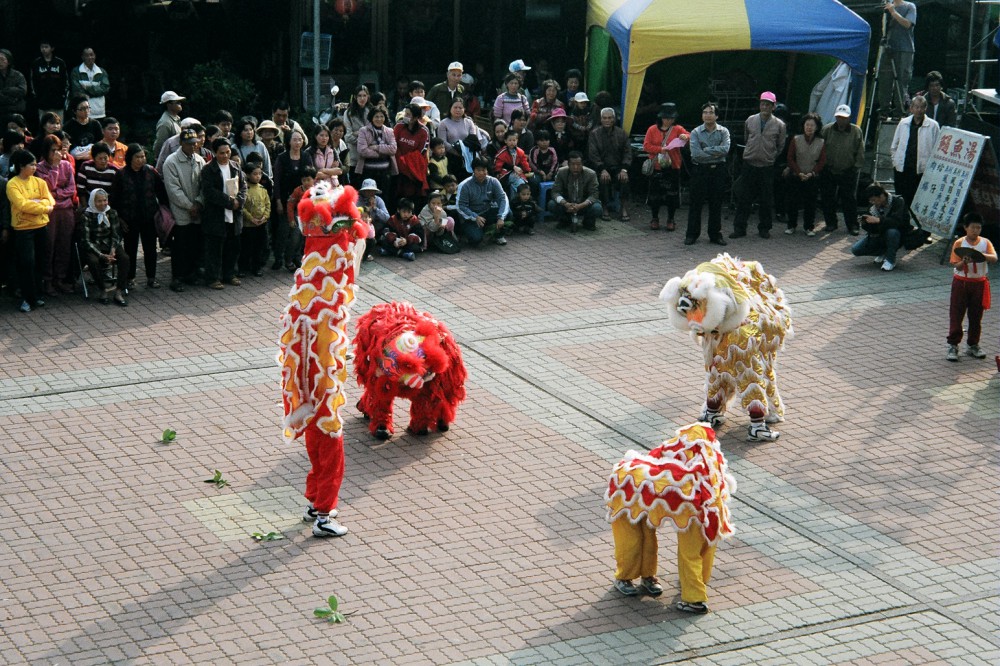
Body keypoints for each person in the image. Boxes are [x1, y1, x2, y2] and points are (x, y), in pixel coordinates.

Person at [605, 423, 736, 613]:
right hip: (633, 496)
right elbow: (660, 457)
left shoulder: (695, 461)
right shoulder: (706, 460)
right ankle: (631, 576)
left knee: (690, 552)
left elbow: (661, 455)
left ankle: (693, 595)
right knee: (636, 541)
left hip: (700, 510)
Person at [730, 92, 786, 239]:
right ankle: (739, 228)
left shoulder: (780, 125)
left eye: (768, 104)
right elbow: (747, 138)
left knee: (765, 199)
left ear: (773, 106)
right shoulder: (750, 120)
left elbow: (780, 145)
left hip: (767, 166)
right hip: (749, 164)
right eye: (763, 103)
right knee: (744, 197)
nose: (765, 106)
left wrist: (770, 156)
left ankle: (764, 228)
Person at [6, 149, 54, 312]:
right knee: (27, 263)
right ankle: (27, 298)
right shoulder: (12, 184)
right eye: (31, 165)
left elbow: (50, 201)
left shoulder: (40, 182)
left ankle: (38, 295)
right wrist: (42, 207)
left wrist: (38, 204)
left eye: (35, 165)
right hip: (23, 229)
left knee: (40, 261)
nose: (34, 168)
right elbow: (22, 205)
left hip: (41, 226)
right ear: (21, 166)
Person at [112, 144, 164, 289]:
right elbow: (115, 199)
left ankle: (151, 278)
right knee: (130, 249)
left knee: (150, 249)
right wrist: (120, 219)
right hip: (129, 219)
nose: (141, 160)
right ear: (130, 158)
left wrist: (163, 212)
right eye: (137, 157)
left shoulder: (151, 172)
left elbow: (161, 192)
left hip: (149, 218)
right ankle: (130, 278)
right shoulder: (121, 175)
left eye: (143, 156)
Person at [946, 213, 996, 361]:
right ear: (965, 227)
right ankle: (953, 345)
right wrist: (964, 262)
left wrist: (981, 255)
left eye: (978, 228)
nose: (976, 231)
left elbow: (994, 258)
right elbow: (957, 266)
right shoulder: (959, 243)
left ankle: (973, 345)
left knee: (976, 315)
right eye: (973, 227)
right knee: (957, 314)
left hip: (979, 283)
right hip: (961, 283)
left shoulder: (985, 243)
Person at [200, 137, 247, 289]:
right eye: (222, 153)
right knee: (215, 248)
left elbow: (243, 186)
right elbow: (209, 191)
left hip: (234, 214)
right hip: (216, 215)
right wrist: (229, 201)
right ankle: (213, 278)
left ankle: (229, 274)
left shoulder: (235, 166)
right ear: (215, 153)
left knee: (233, 246)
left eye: (228, 152)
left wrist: (239, 201)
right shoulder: (208, 169)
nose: (225, 155)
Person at [162, 127, 204, 292]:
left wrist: (199, 203)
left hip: (197, 210)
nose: (193, 146)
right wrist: (189, 206)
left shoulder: (200, 160)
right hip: (180, 212)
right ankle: (177, 277)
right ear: (181, 143)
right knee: (180, 245)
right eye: (189, 144)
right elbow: (173, 190)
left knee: (195, 243)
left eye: (194, 143)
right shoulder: (171, 162)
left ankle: (191, 274)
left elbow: (204, 186)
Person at [34, 134, 76, 295]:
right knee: (49, 246)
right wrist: (54, 168)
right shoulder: (39, 168)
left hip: (66, 211)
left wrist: (57, 194)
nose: (57, 153)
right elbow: (47, 189)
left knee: (64, 245)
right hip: (49, 212)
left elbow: (71, 189)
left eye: (58, 150)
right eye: (53, 150)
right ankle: (47, 280)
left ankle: (60, 279)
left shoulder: (67, 165)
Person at [685, 103, 730, 246]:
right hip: (700, 170)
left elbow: (725, 150)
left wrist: (706, 149)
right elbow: (696, 154)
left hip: (718, 170)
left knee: (716, 203)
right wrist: (715, 152)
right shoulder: (695, 132)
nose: (707, 115)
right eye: (705, 112)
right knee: (695, 204)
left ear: (717, 116)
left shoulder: (723, 131)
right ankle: (692, 234)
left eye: (711, 112)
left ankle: (715, 235)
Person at [820, 104, 865, 235]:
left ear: (849, 118)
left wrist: (855, 167)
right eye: (839, 117)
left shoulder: (856, 131)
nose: (841, 120)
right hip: (829, 169)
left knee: (849, 200)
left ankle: (852, 225)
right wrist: (822, 166)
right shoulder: (827, 129)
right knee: (827, 198)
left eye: (844, 118)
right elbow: (820, 148)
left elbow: (860, 151)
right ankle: (831, 223)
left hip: (848, 170)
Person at [79, 188, 129, 306]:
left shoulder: (112, 212)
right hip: (94, 246)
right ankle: (102, 290)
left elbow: (116, 234)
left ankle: (119, 291)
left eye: (105, 200)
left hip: (109, 244)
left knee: (124, 258)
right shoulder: (86, 215)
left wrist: (112, 250)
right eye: (99, 201)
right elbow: (86, 241)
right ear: (93, 202)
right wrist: (101, 255)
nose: (103, 203)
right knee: (93, 261)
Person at [642, 102, 688, 231]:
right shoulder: (652, 129)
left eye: (671, 118)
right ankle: (654, 218)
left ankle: (671, 219)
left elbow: (688, 136)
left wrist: (685, 136)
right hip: (657, 166)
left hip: (673, 166)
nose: (669, 120)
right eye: (666, 118)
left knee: (672, 195)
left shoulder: (678, 129)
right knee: (655, 195)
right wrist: (660, 149)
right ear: (661, 118)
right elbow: (646, 146)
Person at [890, 95, 939, 210]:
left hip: (921, 170)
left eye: (922, 107)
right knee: (901, 199)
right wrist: (895, 161)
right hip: (902, 168)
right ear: (911, 108)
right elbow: (894, 145)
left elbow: (937, 149)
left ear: (926, 108)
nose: (919, 110)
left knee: (919, 200)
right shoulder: (903, 123)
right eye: (916, 107)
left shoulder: (933, 125)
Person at [851, 182, 911, 272]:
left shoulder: (898, 201)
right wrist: (865, 223)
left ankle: (890, 260)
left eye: (874, 200)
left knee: (892, 232)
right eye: (870, 201)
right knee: (856, 250)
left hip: (899, 234)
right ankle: (884, 252)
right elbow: (873, 230)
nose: (872, 203)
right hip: (880, 234)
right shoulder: (873, 207)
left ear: (882, 196)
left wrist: (878, 220)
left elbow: (897, 222)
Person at [784, 113, 826, 236]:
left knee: (810, 203)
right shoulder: (796, 139)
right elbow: (790, 158)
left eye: (812, 125)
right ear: (803, 126)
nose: (809, 127)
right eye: (807, 125)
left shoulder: (821, 142)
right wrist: (799, 172)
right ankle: (791, 225)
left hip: (812, 176)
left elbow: (822, 161)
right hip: (796, 175)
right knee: (793, 202)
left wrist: (812, 173)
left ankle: (809, 227)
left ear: (817, 127)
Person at [588, 108, 632, 222]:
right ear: (601, 119)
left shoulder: (621, 133)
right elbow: (593, 155)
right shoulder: (594, 134)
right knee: (603, 179)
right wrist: (602, 169)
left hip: (618, 167)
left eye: (609, 118)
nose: (607, 120)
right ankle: (605, 207)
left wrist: (624, 169)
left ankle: (623, 208)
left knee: (624, 179)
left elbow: (627, 152)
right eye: (604, 118)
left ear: (614, 119)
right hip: (601, 168)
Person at [273, 129, 309, 271]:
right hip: (284, 199)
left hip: (302, 201)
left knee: (297, 233)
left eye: (300, 139)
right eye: (294, 139)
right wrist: (278, 200)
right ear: (289, 141)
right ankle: (278, 258)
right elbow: (277, 180)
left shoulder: (306, 156)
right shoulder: (282, 158)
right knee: (283, 231)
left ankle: (294, 258)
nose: (297, 142)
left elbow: (311, 176)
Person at [456, 157, 510, 247]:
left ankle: (498, 235)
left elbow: (502, 199)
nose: (481, 173)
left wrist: (501, 217)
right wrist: (475, 217)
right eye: (478, 170)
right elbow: (460, 206)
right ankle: (472, 232)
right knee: (476, 239)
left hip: (487, 211)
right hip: (471, 217)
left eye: (484, 170)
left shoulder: (493, 181)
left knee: (508, 213)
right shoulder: (464, 185)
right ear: (473, 170)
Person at [878, 0, 917, 117]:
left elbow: (907, 24)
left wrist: (893, 12)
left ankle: (899, 110)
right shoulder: (887, 6)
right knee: (885, 80)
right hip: (888, 48)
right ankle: (884, 109)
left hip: (905, 49)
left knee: (902, 80)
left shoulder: (910, 6)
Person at [548, 151, 601, 232]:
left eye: (578, 164)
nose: (575, 167)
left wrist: (581, 205)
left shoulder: (591, 174)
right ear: (568, 164)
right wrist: (565, 203)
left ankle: (588, 221)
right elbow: (555, 192)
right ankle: (565, 220)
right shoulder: (561, 172)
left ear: (582, 164)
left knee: (597, 208)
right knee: (552, 204)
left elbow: (594, 194)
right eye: (572, 164)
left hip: (584, 204)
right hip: (567, 203)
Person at [354, 106, 397, 202]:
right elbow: (362, 150)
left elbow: (393, 149)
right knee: (367, 198)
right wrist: (381, 154)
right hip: (368, 171)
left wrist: (377, 147)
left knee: (384, 199)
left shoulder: (390, 131)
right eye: (376, 116)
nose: (379, 119)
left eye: (381, 116)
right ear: (371, 118)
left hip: (385, 172)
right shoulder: (363, 131)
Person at [393, 104, 429, 209]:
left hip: (413, 169)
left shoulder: (423, 131)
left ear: (416, 117)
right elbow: (394, 144)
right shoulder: (399, 127)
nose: (405, 116)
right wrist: (400, 160)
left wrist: (406, 161)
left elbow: (421, 151)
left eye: (408, 114)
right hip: (397, 167)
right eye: (405, 113)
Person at [238, 160, 270, 277]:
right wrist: (251, 218)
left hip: (261, 223)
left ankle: (257, 267)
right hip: (248, 225)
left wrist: (264, 217)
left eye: (259, 174)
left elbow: (267, 205)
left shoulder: (262, 189)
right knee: (246, 247)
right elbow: (242, 207)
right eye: (255, 174)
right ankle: (243, 268)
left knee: (259, 246)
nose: (258, 176)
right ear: (247, 175)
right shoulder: (245, 189)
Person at [30, 41, 68, 121]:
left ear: (52, 48)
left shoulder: (60, 63)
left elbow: (65, 81)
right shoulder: (36, 63)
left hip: (58, 103)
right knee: (44, 125)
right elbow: (33, 81)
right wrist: (37, 97)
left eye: (46, 47)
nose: (44, 49)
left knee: (58, 124)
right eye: (42, 47)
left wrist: (63, 96)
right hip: (43, 103)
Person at [70, 48, 109, 119]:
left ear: (95, 56)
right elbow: (77, 91)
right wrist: (96, 91)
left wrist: (87, 88)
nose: (90, 57)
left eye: (91, 55)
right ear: (82, 57)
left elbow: (105, 88)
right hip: (82, 112)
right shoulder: (76, 71)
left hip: (99, 112)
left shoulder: (102, 72)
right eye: (87, 55)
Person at [493, 129, 534, 197]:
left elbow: (524, 162)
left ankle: (516, 199)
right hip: (505, 173)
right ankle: (523, 193)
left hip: (516, 172)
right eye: (510, 140)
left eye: (514, 140)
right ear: (505, 141)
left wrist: (527, 170)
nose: (512, 142)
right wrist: (497, 172)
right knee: (518, 180)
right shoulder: (502, 152)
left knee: (515, 184)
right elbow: (498, 162)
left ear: (517, 140)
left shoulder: (520, 151)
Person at [63, 94, 103, 162]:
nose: (86, 111)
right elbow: (71, 150)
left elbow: (100, 143)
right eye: (82, 109)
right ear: (74, 111)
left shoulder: (95, 124)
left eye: (88, 107)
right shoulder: (68, 127)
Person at [342, 85, 371, 170]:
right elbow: (347, 137)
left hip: (369, 157)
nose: (362, 98)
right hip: (354, 158)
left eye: (364, 95)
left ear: (368, 97)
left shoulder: (371, 111)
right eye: (359, 96)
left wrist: (358, 133)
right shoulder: (348, 113)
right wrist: (364, 140)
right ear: (355, 97)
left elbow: (373, 134)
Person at [153, 91, 185, 159]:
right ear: (169, 105)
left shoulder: (176, 118)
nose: (180, 103)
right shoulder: (165, 122)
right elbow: (160, 144)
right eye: (177, 102)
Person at [0, 49, 27, 120]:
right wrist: (11, 99)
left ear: (9, 61)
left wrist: (6, 90)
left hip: (16, 110)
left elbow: (22, 91)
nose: (0, 62)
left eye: (2, 59)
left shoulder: (18, 75)